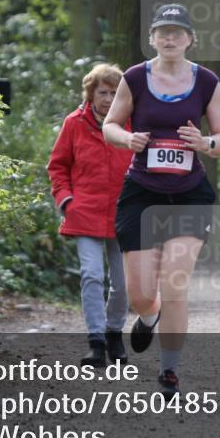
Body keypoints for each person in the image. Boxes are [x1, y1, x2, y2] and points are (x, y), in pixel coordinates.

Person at [102, 3, 220, 396]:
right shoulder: (134, 78)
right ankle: (150, 315)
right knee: (141, 294)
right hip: (142, 192)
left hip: (190, 195)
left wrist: (205, 143)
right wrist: (128, 139)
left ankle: (169, 371)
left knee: (175, 283)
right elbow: (109, 124)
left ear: (191, 39)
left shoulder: (207, 81)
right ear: (152, 38)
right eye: (163, 31)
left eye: (178, 31)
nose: (170, 37)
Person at [47, 63, 135, 367]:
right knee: (92, 275)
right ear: (90, 93)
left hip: (124, 214)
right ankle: (96, 341)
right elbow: (57, 167)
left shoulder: (131, 124)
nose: (108, 99)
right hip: (84, 213)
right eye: (102, 92)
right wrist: (66, 200)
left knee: (123, 284)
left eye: (114, 93)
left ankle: (114, 333)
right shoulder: (74, 123)